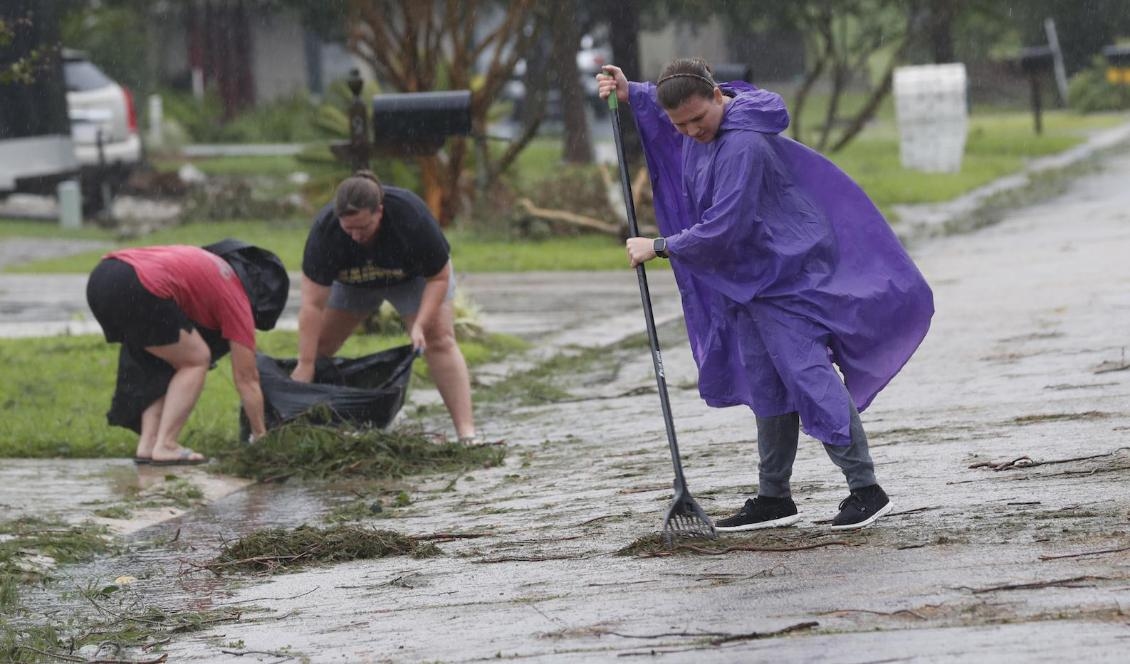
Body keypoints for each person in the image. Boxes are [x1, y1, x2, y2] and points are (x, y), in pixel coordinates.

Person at [597, 59, 934, 531]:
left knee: (807, 374)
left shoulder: (744, 145)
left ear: (719, 97)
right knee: (766, 384)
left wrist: (660, 246)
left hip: (783, 274)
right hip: (748, 281)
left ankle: (866, 488)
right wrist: (632, 90)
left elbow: (727, 227)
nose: (690, 131)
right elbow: (668, 99)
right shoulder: (704, 122)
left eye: (698, 119)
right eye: (680, 125)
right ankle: (774, 497)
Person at [291, 171, 477, 443]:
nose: (355, 236)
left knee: (440, 340)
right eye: (348, 229)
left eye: (363, 228)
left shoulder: (410, 215)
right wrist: (305, 364)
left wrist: (420, 326)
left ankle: (466, 433)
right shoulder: (325, 231)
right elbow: (312, 305)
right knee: (317, 349)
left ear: (379, 210)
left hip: (411, 279)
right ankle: (311, 427)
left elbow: (438, 278)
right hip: (353, 284)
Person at [86, 239, 289, 465]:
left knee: (162, 361)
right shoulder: (237, 297)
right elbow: (247, 379)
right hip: (138, 286)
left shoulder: (213, 265)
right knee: (196, 360)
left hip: (103, 276)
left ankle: (149, 444)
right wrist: (260, 436)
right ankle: (167, 445)